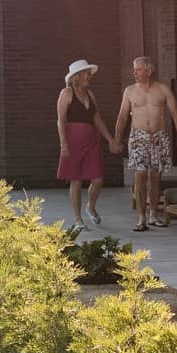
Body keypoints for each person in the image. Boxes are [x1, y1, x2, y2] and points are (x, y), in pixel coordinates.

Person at [110, 57, 177, 232]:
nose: (134, 73)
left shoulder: (163, 89)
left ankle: (153, 215)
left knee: (155, 177)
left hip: (159, 137)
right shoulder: (129, 91)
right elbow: (122, 117)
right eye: (134, 69)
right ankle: (141, 218)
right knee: (140, 175)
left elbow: (175, 114)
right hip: (138, 137)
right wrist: (116, 138)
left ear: (149, 71)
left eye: (138, 69)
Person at [56, 60, 115, 229]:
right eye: (87, 74)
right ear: (78, 76)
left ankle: (91, 206)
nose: (90, 76)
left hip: (91, 142)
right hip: (72, 142)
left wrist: (110, 139)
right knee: (76, 180)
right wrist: (63, 144)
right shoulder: (66, 93)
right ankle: (77, 219)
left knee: (97, 179)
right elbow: (60, 121)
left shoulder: (91, 94)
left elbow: (97, 119)